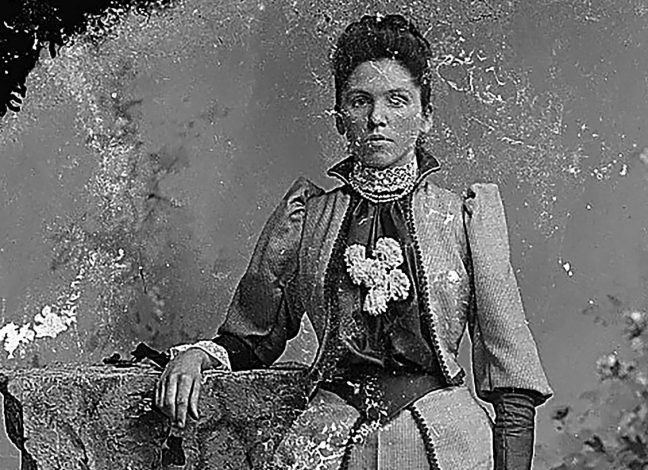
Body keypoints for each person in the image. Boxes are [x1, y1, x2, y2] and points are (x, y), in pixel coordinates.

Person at [156, 14, 553, 469]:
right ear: (341, 119)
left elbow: (511, 377)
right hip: (326, 446)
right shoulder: (307, 219)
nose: (377, 118)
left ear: (426, 115)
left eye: (397, 101)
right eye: (360, 101)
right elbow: (251, 339)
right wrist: (198, 357)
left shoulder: (463, 221)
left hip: (448, 447)